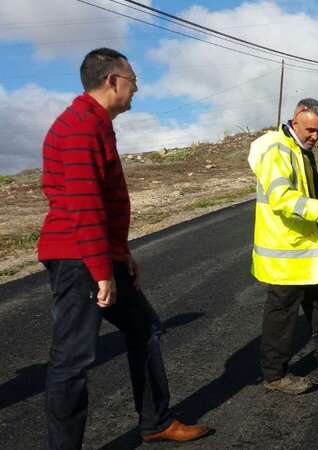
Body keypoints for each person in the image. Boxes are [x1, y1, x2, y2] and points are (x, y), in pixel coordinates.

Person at [37, 48, 210, 448]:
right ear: (112, 81)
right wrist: (100, 270)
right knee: (72, 360)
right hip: (76, 256)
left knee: (144, 328)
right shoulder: (80, 127)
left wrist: (120, 255)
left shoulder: (96, 123)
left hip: (96, 253)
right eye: (133, 81)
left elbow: (100, 202)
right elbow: (84, 205)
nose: (137, 89)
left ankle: (155, 421)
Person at [248, 98, 318, 395]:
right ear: (296, 118)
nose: (315, 136)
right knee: (281, 314)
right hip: (286, 251)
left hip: (306, 250)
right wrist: (315, 211)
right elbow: (280, 195)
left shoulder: (301, 151)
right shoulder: (277, 149)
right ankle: (274, 376)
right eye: (310, 129)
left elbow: (316, 196)